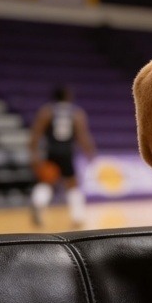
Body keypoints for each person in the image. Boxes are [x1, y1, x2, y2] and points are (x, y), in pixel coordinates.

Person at [28, 85, 96, 228]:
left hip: (51, 152)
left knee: (47, 181)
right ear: (67, 96)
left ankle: (38, 202)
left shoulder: (47, 111)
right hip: (67, 153)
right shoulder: (76, 113)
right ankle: (78, 216)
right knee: (72, 184)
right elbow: (83, 136)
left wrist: (33, 153)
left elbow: (36, 134)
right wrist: (90, 152)